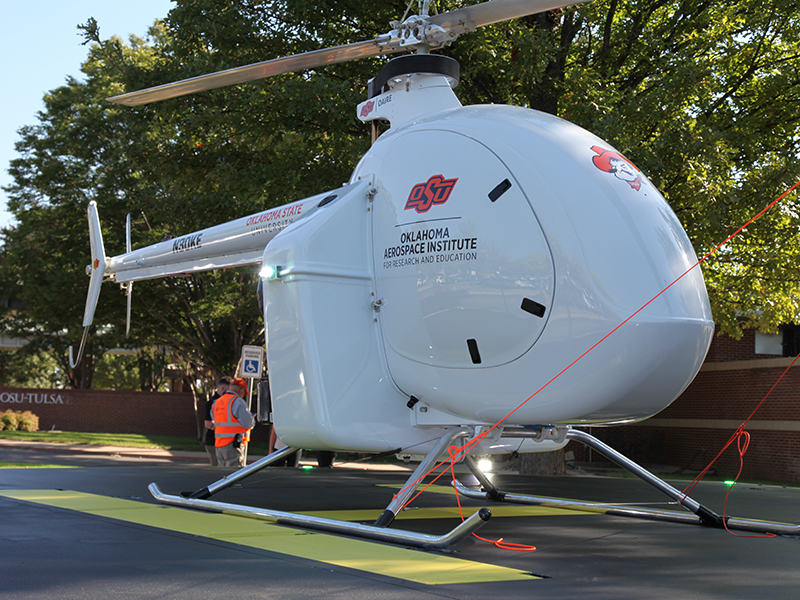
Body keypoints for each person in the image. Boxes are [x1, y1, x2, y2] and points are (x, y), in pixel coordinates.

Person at [212, 377, 256, 467]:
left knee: (223, 475)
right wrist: (252, 418)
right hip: (233, 445)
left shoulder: (216, 402)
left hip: (219, 444)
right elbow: (247, 423)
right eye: (244, 393)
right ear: (241, 390)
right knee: (234, 475)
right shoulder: (238, 401)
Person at [203, 376, 232, 466]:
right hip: (213, 442)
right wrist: (224, 429)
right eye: (229, 390)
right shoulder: (212, 403)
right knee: (216, 470)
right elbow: (207, 424)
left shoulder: (228, 401)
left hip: (225, 442)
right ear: (223, 388)